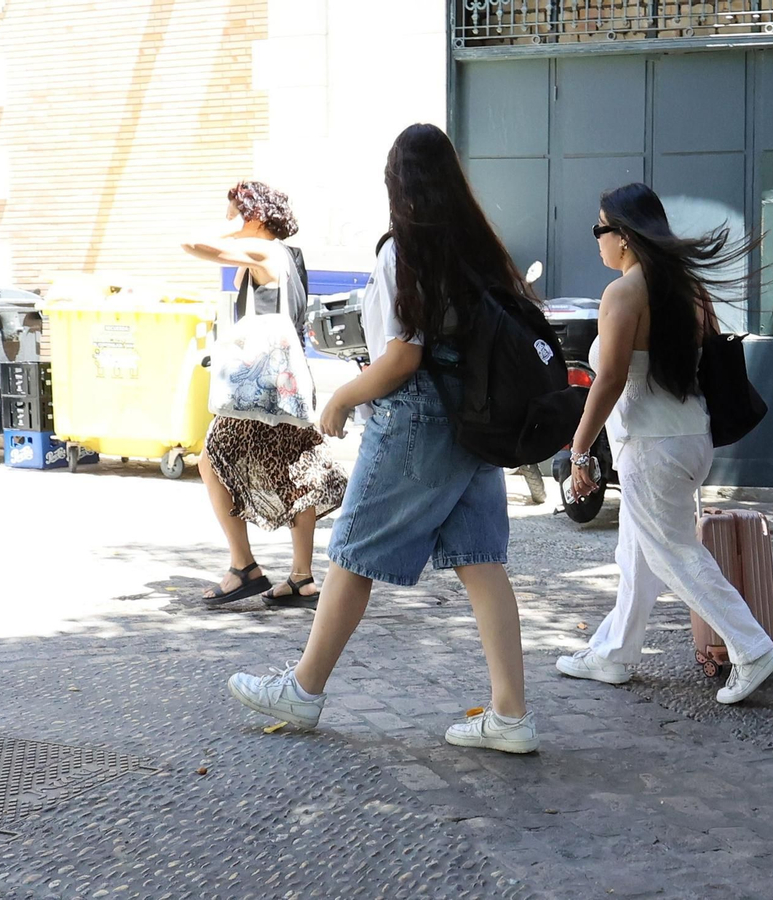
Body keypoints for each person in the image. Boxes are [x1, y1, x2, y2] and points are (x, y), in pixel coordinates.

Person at [226, 124, 538, 754]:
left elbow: (401, 358)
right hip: (474, 425)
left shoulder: (405, 252)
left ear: (398, 184)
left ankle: (304, 689)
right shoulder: (480, 250)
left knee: (350, 553)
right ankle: (511, 715)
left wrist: (341, 397)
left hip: (415, 420)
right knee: (482, 565)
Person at [554, 183, 773, 705]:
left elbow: (609, 379)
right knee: (637, 552)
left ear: (626, 237)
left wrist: (580, 449)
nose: (596, 240)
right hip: (688, 437)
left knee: (675, 553)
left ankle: (751, 647)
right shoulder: (687, 288)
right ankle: (615, 654)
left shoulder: (624, 293)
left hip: (651, 444)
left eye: (599, 228)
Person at [181, 182, 346, 610]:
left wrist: (234, 225)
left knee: (210, 461)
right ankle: (301, 579)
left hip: (262, 389)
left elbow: (192, 242)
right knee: (297, 473)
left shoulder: (265, 252)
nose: (230, 220)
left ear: (253, 215)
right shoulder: (287, 256)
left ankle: (244, 567)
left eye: (235, 211)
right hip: (283, 389)